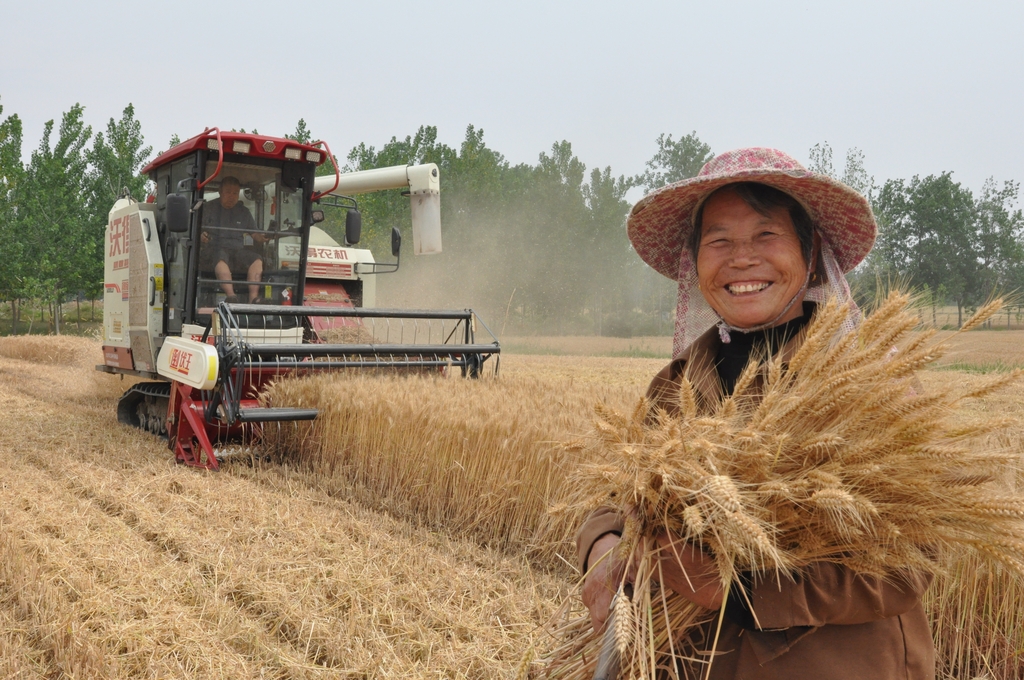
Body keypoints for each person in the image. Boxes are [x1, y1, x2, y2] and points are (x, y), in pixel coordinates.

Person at [577, 148, 935, 678]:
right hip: (695, 662)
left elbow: (910, 560)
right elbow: (622, 489)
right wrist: (603, 542)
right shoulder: (679, 382)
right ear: (694, 261)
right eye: (718, 240)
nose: (741, 258)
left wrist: (740, 592)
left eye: (766, 235)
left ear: (810, 255)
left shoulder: (866, 382)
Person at [200, 176, 268, 303]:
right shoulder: (207, 209)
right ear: (220, 192)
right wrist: (201, 236)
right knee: (220, 256)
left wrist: (264, 237)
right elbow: (197, 231)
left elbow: (255, 234)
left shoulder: (244, 212)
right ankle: (231, 297)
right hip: (213, 250)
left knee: (257, 259)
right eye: (228, 192)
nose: (232, 196)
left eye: (235, 193)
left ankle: (253, 298)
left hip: (237, 251)